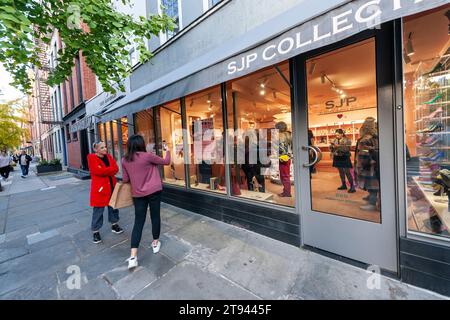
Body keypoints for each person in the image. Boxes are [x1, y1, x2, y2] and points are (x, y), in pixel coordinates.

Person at [121, 134, 171, 269]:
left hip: (138, 194)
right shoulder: (147, 156)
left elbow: (125, 179)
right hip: (154, 191)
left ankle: (133, 256)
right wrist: (168, 150)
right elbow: (166, 162)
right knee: (155, 216)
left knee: (138, 222)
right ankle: (155, 243)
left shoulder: (124, 160)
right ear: (141, 144)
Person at [87, 141, 124, 244]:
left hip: (111, 186)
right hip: (100, 189)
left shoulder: (108, 156)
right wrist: (109, 170)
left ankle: (114, 224)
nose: (105, 149)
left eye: (105, 147)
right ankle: (96, 231)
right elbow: (98, 171)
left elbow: (115, 169)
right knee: (98, 210)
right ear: (96, 149)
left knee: (113, 206)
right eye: (102, 147)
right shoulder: (91, 158)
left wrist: (106, 170)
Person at [354, 117, 380, 211]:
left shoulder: (364, 140)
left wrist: (361, 165)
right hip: (376, 164)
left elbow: (363, 153)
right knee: (375, 184)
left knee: (372, 185)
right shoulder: (376, 137)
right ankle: (372, 199)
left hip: (368, 165)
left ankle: (372, 204)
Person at [330, 129, 355, 193]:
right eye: (336, 135)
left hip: (345, 157)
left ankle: (352, 186)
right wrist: (331, 146)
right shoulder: (335, 140)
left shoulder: (348, 140)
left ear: (342, 134)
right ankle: (344, 185)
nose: (336, 136)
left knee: (347, 172)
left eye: (338, 135)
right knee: (340, 171)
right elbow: (331, 148)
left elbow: (346, 149)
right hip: (337, 157)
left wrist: (337, 146)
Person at [275, 121, 293, 197]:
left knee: (284, 176)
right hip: (288, 157)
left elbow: (280, 148)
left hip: (283, 158)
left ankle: (287, 193)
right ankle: (286, 191)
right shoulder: (289, 134)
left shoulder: (281, 136)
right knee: (286, 175)